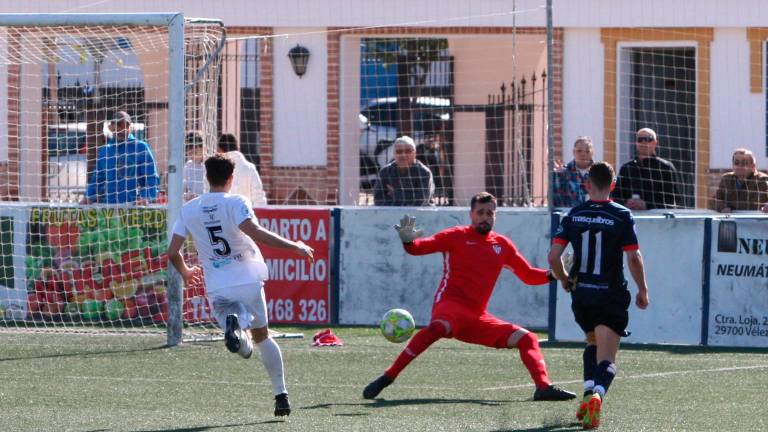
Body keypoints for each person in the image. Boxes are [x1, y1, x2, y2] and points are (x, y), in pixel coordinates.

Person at [362, 192, 576, 402]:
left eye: (490, 213)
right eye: (480, 212)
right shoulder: (455, 236)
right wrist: (408, 242)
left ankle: (543, 387)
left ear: (495, 216)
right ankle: (387, 377)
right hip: (450, 306)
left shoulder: (502, 245)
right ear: (471, 215)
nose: (485, 217)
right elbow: (419, 248)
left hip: (477, 318)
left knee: (527, 338)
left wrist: (554, 274)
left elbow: (528, 275)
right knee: (437, 328)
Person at [166, 154, 314, 417]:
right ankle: (281, 395)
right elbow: (255, 231)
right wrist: (295, 246)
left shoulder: (189, 209)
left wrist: (187, 273)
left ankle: (235, 327)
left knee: (243, 347)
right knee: (263, 337)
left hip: (217, 286)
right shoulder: (236, 202)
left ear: (206, 178)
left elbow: (172, 252)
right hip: (247, 278)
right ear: (231, 179)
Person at [548, 161, 650, 430]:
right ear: (613, 185)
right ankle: (597, 396)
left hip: (582, 295)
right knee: (608, 359)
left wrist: (565, 279)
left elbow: (553, 257)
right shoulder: (621, 215)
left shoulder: (573, 214)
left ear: (587, 184)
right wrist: (643, 289)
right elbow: (634, 257)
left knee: (591, 343)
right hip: (610, 294)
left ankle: (585, 397)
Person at [82, 111, 159, 205]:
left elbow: (151, 177)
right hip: (109, 209)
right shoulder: (105, 151)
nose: (123, 129)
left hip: (135, 209)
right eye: (119, 125)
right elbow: (97, 179)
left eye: (126, 125)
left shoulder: (141, 147)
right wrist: (88, 196)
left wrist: (145, 197)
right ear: (111, 127)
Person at [612, 128, 682, 210]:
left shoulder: (665, 168)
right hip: (630, 217)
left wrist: (647, 205)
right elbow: (616, 197)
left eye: (648, 139)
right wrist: (627, 204)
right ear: (636, 143)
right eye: (640, 139)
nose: (644, 142)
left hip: (658, 219)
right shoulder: (626, 168)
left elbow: (674, 200)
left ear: (655, 143)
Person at [374, 136, 435, 206]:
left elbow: (421, 201)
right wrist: (409, 199)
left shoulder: (424, 172)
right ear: (394, 154)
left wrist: (395, 193)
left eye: (408, 151)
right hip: (392, 213)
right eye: (399, 152)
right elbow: (378, 200)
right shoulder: (385, 172)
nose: (403, 155)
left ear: (414, 153)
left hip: (421, 214)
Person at [710, 148, 768, 213]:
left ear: (753, 167)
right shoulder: (726, 179)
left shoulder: (763, 180)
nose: (740, 166)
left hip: (756, 220)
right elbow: (714, 201)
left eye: (744, 163)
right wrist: (722, 207)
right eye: (736, 163)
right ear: (732, 166)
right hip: (732, 220)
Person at [217, 133, 268, 207]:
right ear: (237, 147)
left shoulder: (216, 169)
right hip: (245, 215)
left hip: (224, 215)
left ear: (220, 150)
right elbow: (259, 197)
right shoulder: (250, 168)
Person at [553, 136, 595, 207]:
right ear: (573, 152)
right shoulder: (563, 173)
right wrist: (558, 176)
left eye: (587, 151)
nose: (583, 154)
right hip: (569, 215)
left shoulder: (599, 173)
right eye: (579, 151)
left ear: (592, 153)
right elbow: (554, 199)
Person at [183, 131, 206, 200]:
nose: (191, 156)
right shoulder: (188, 166)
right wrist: (186, 195)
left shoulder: (210, 165)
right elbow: (183, 189)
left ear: (203, 149)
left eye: (194, 152)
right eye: (189, 153)